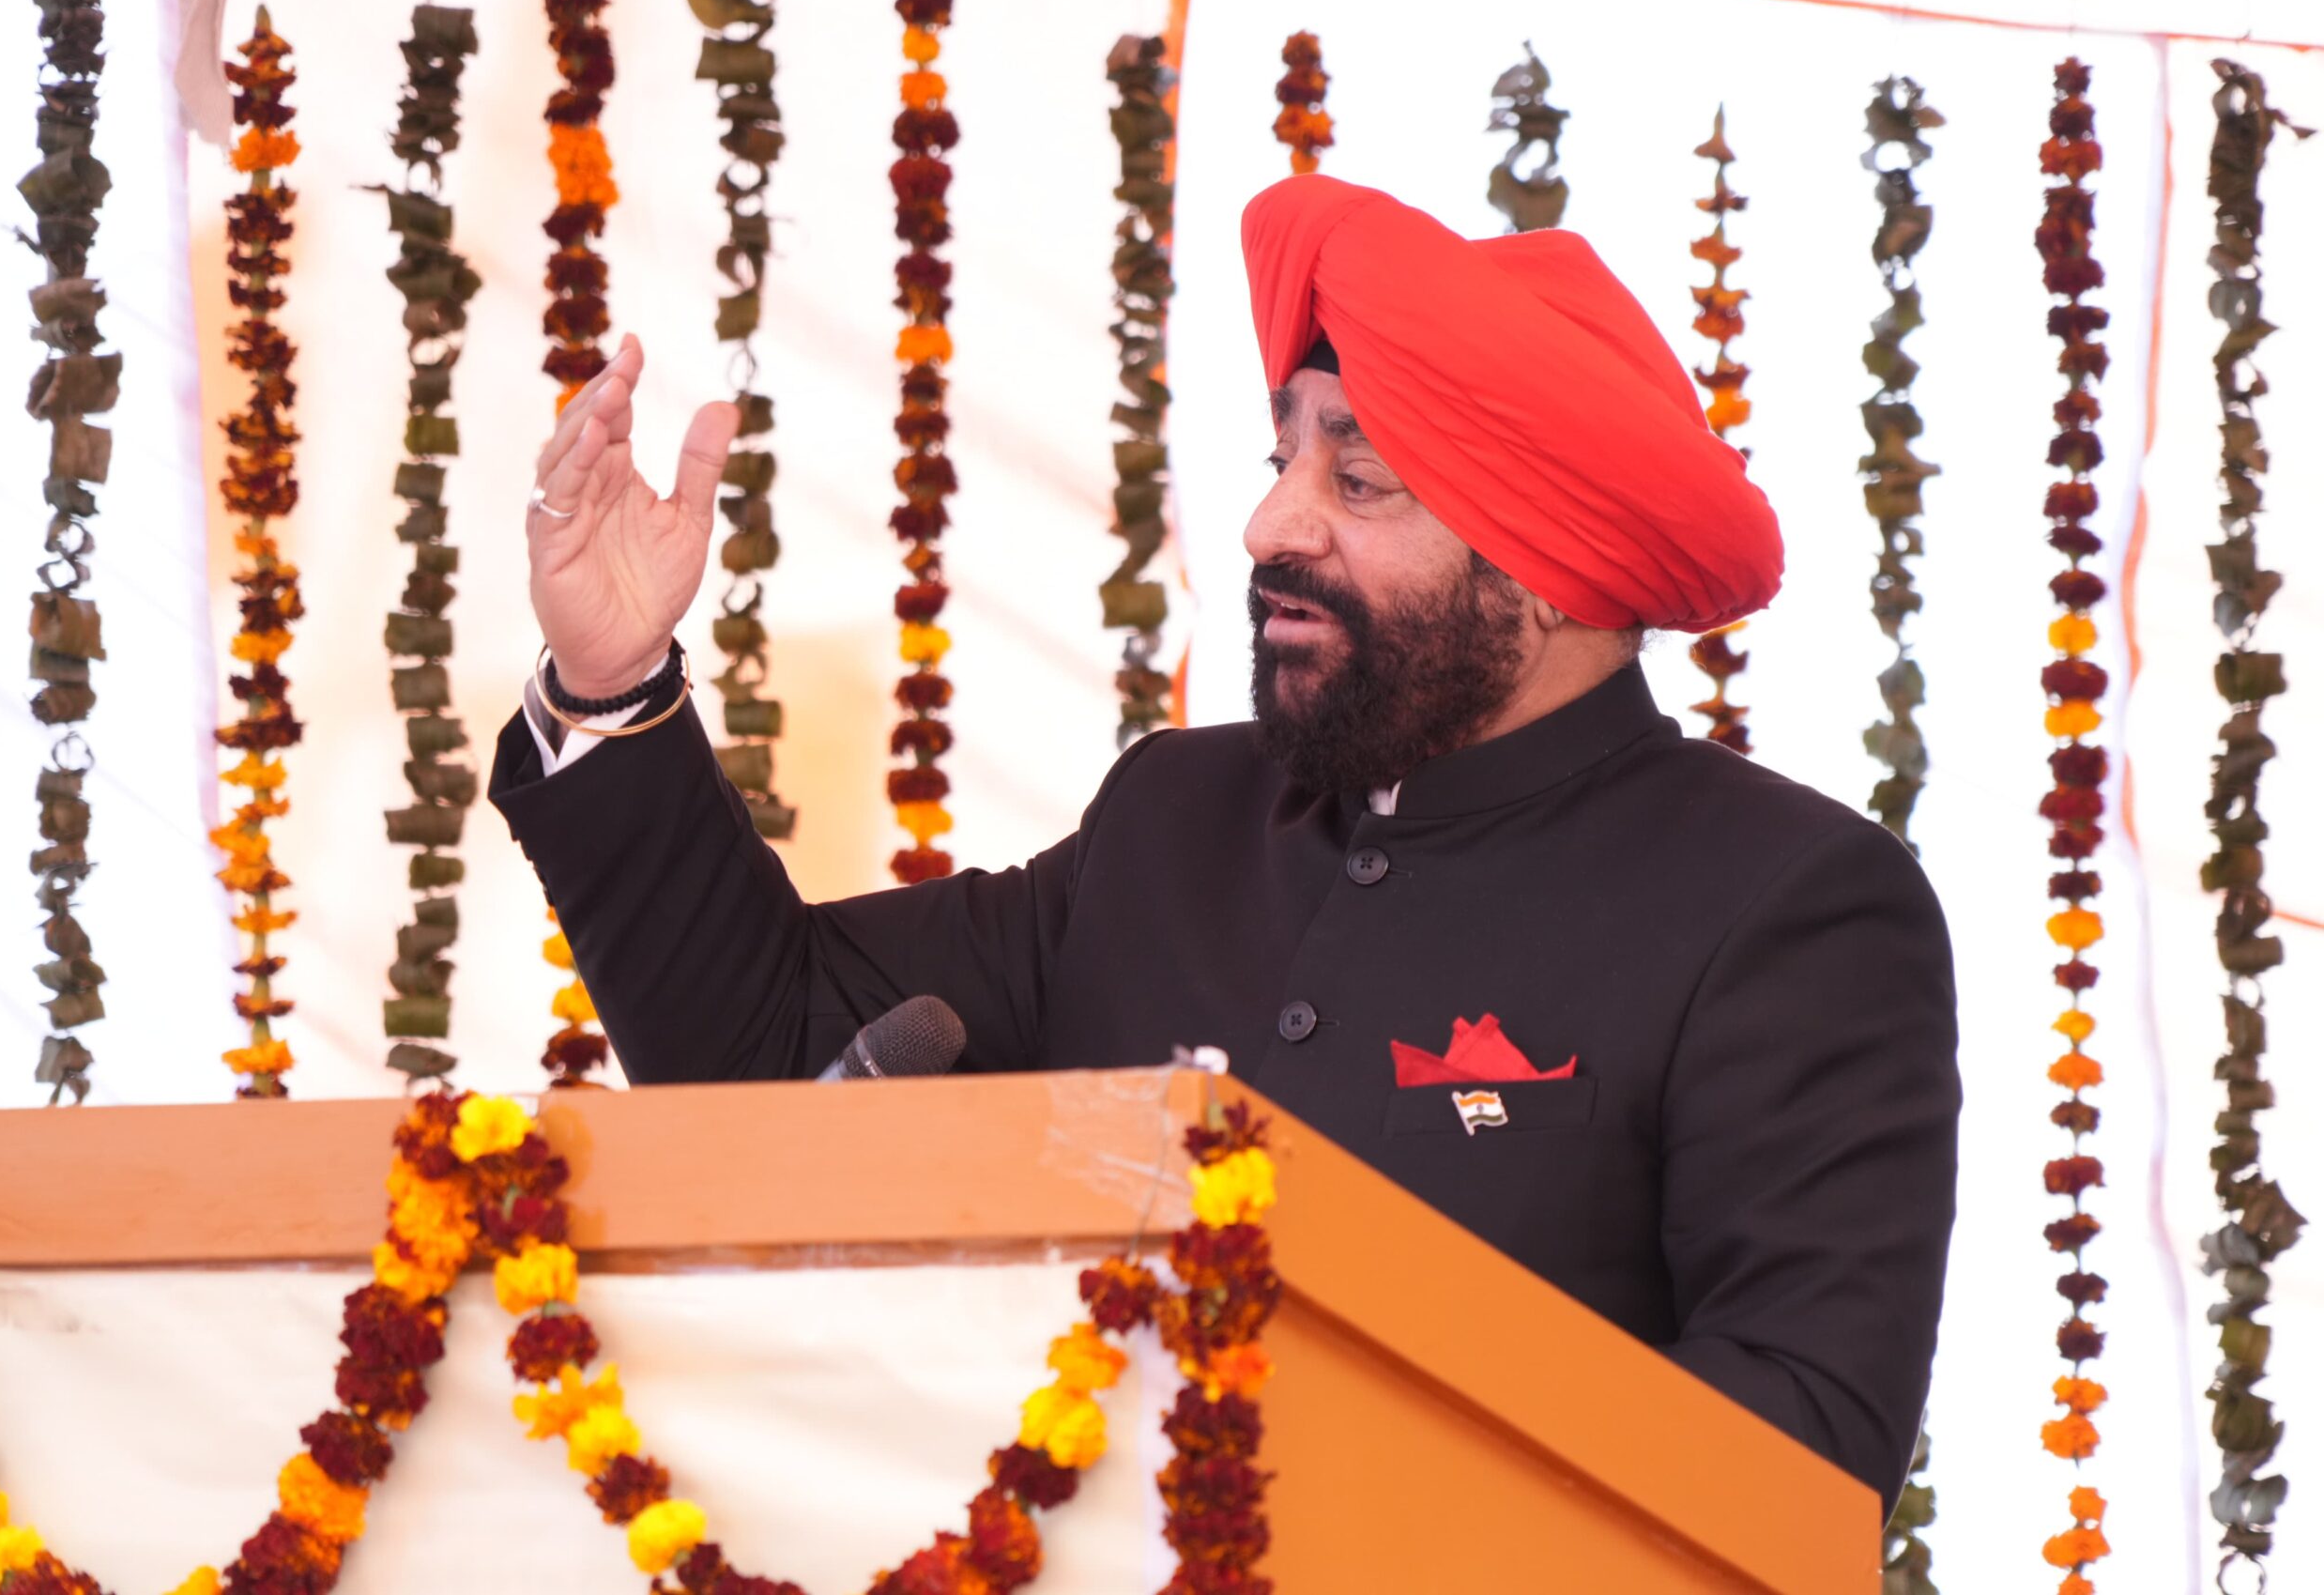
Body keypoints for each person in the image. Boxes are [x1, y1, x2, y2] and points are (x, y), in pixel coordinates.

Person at [490, 175, 1960, 1518]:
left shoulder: (1786, 904)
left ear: (1552, 570)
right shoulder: (1175, 820)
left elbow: (1798, 1445)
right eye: (1281, 457)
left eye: (1357, 481)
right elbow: (762, 1053)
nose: (1267, 524)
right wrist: (614, 684)